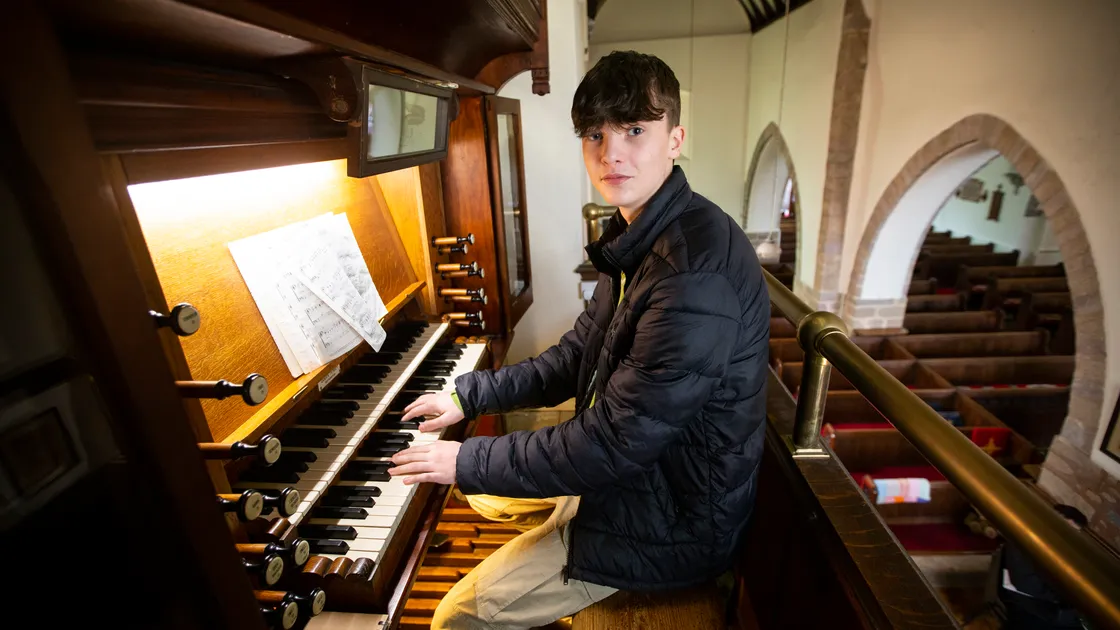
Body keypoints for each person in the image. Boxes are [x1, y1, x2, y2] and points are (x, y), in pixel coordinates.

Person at [388, 50, 770, 629]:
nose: (611, 153)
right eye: (595, 134)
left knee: (457, 616)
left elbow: (614, 442)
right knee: (482, 494)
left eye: (635, 130)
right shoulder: (641, 233)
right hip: (641, 474)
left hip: (672, 520)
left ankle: (561, 547)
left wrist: (465, 455)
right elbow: (575, 358)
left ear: (675, 138)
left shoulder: (694, 272)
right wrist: (469, 397)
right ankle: (549, 526)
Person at [994, 504, 1092, 629]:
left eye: (1075, 533)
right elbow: (1027, 584)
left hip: (1036, 599)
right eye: (1067, 530)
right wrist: (1065, 598)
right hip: (1025, 604)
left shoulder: (1049, 543)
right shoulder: (1026, 539)